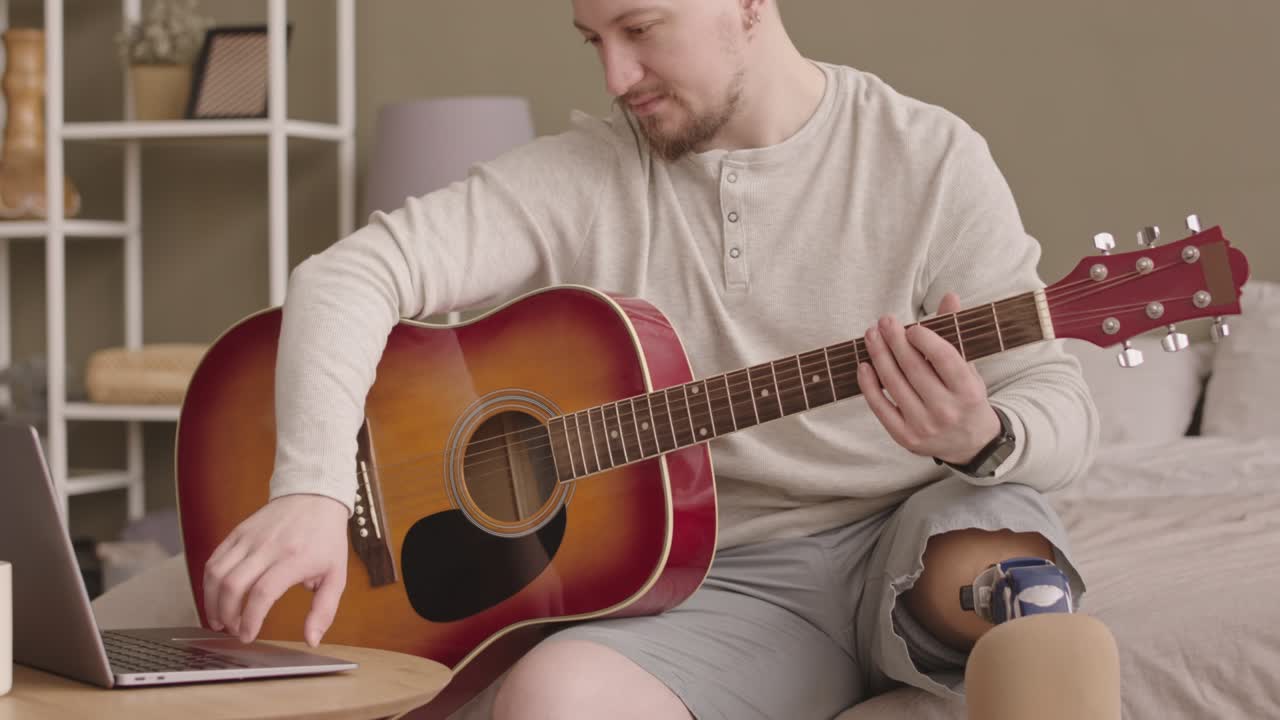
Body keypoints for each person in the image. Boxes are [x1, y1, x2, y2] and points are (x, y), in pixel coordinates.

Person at [201, 1, 1121, 718]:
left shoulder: (929, 159)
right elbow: (349, 276)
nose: (617, 74)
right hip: (715, 588)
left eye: (641, 30)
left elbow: (1057, 399)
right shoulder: (584, 174)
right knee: (549, 699)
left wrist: (982, 435)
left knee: (1004, 572)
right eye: (592, 39)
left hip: (919, 520)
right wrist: (313, 487)